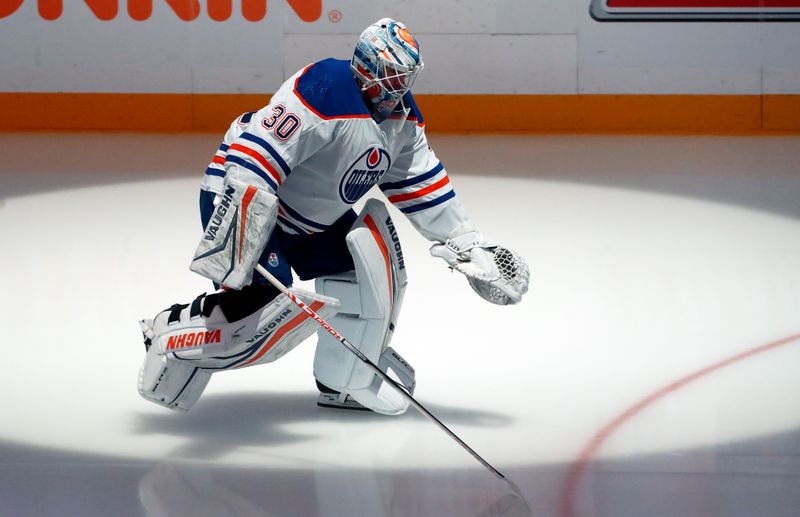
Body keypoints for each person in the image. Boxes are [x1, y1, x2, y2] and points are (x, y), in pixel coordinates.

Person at [137, 18, 529, 415]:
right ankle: (167, 334)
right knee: (256, 316)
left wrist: (466, 242)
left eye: (403, 77)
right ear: (365, 68)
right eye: (389, 75)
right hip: (248, 202)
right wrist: (240, 232)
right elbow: (256, 157)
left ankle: (343, 381)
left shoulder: (403, 120)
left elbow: (420, 181)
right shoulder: (324, 87)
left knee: (364, 280)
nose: (396, 88)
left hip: (311, 222)